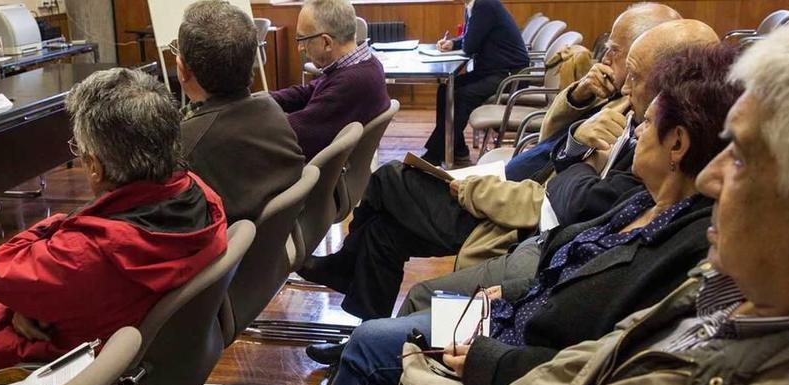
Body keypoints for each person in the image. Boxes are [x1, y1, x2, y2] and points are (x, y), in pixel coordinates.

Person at [410, 19, 789, 385]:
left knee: (384, 345)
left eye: (738, 156)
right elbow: (571, 374)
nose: (712, 179)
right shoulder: (718, 286)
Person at [266, 43, 743, 385]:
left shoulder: (673, 231)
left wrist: (493, 349)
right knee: (386, 233)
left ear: (678, 143)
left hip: (516, 296)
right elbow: (556, 168)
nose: (635, 121)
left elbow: (593, 347)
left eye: (645, 117)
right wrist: (575, 118)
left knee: (388, 193)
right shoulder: (647, 197)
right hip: (519, 287)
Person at [298, 19, 719, 321]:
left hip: (520, 223)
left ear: (669, 74)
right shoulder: (624, 102)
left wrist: (565, 149)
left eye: (617, 53)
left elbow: (573, 198)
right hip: (519, 191)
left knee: (388, 180)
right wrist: (577, 98)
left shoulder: (658, 144)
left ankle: (348, 281)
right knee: (383, 233)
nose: (605, 59)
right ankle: (364, 335)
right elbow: (551, 143)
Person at [0, 68, 228, 385]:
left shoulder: (84, 254)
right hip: (147, 359)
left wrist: (58, 221)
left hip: (39, 375)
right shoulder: (203, 197)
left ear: (95, 167)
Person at [505, 2, 682, 181]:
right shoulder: (613, 93)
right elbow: (548, 137)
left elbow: (565, 194)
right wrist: (578, 97)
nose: (605, 59)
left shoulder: (642, 127)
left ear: (646, 53)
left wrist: (576, 143)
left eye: (614, 50)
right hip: (529, 170)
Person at [177, 0, 305, 223]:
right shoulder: (271, 109)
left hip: (232, 252)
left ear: (183, 70)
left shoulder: (185, 144)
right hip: (277, 245)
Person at [270, 0, 389, 160]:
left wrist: (250, 120)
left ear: (326, 42)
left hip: (323, 178)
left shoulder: (351, 83)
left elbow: (294, 135)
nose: (300, 48)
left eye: (302, 40)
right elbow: (310, 91)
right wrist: (265, 100)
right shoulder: (365, 63)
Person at [420, 0, 529, 167]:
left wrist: (461, 42)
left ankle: (434, 154)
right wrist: (453, 43)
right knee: (445, 89)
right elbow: (470, 38)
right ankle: (458, 150)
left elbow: (470, 45)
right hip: (492, 71)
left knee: (461, 96)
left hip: (510, 76)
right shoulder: (474, 5)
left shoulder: (484, 4)